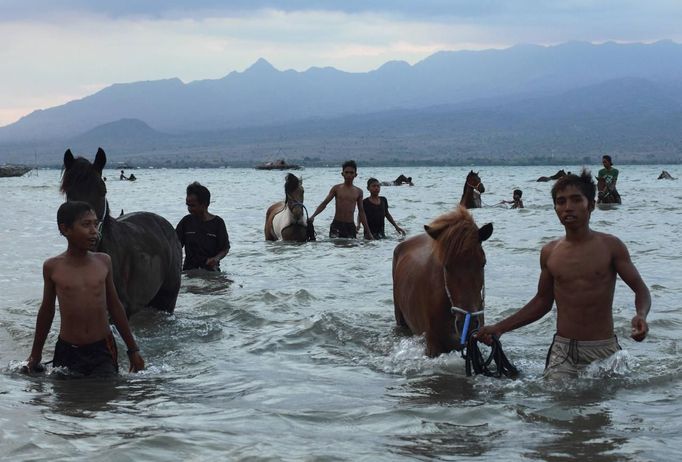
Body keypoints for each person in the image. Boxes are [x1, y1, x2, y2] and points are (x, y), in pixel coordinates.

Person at [476, 170, 650, 380]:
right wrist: (499, 328)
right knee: (556, 404)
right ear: (555, 208)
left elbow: (641, 290)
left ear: (591, 205)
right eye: (561, 201)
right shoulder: (550, 252)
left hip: (604, 350)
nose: (568, 207)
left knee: (601, 410)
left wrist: (641, 315)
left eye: (576, 200)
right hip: (564, 351)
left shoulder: (611, 247)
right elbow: (542, 302)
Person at [24, 201, 145, 376]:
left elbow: (115, 306)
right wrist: (35, 355)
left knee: (105, 396)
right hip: (68, 350)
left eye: (96, 224)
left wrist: (133, 350)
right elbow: (47, 311)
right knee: (67, 400)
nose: (94, 231)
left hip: (103, 349)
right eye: (86, 225)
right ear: (65, 229)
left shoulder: (104, 261)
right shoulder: (52, 267)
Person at [307, 160, 373, 239]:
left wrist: (368, 232)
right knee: (335, 250)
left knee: (352, 250)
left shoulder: (358, 191)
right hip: (337, 225)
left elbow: (361, 211)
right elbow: (324, 203)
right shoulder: (336, 188)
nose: (349, 175)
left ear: (355, 175)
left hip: (350, 226)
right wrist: (313, 216)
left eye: (351, 173)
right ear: (342, 174)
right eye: (346, 172)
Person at [176, 182, 230, 271]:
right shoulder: (186, 221)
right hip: (189, 272)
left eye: (193, 205)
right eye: (187, 205)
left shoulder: (218, 223)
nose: (189, 209)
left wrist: (215, 259)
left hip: (211, 272)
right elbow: (175, 245)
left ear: (204, 204)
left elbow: (225, 248)